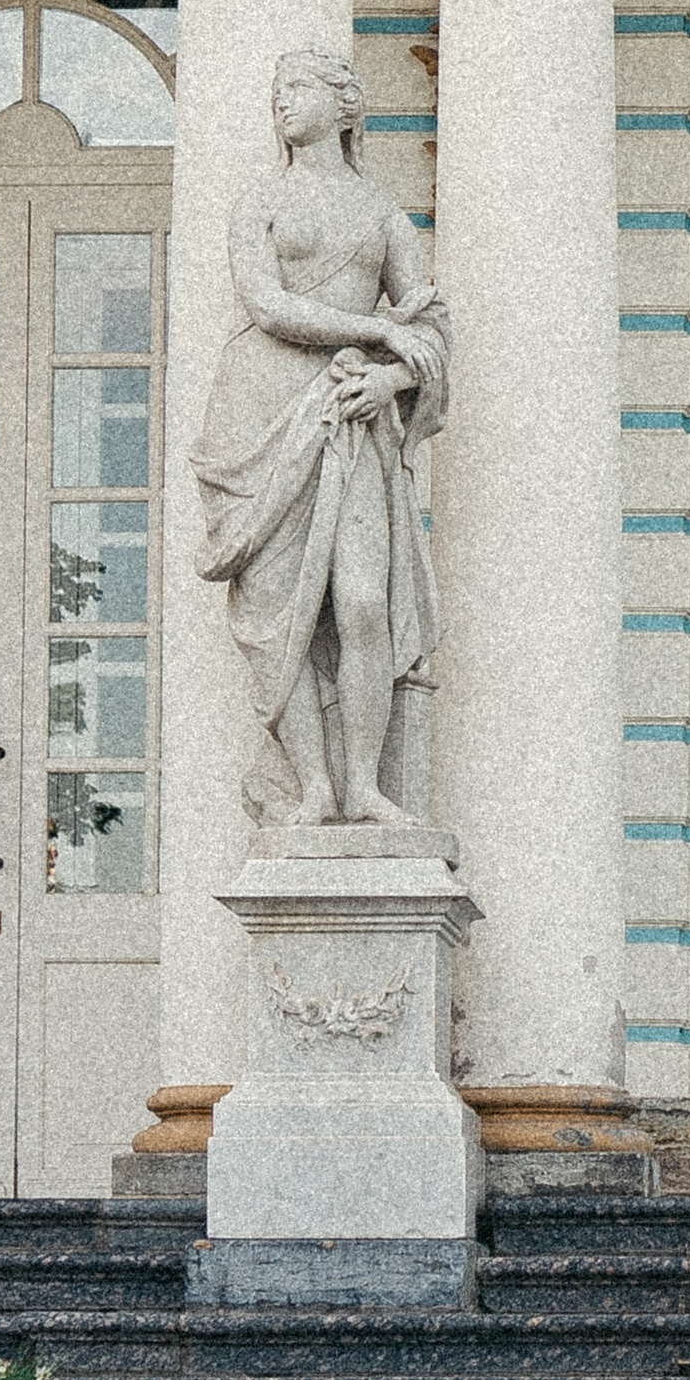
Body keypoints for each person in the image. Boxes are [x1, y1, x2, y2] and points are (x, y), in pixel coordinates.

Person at [193, 44, 447, 835]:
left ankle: (365, 786)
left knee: (363, 602)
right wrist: (376, 331)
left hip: (350, 415)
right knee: (280, 614)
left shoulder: (382, 215)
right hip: (261, 409)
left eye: (298, 87)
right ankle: (314, 789)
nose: (282, 101)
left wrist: (389, 381)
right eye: (277, 90)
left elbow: (433, 328)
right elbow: (267, 304)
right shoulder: (259, 202)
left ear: (345, 106)